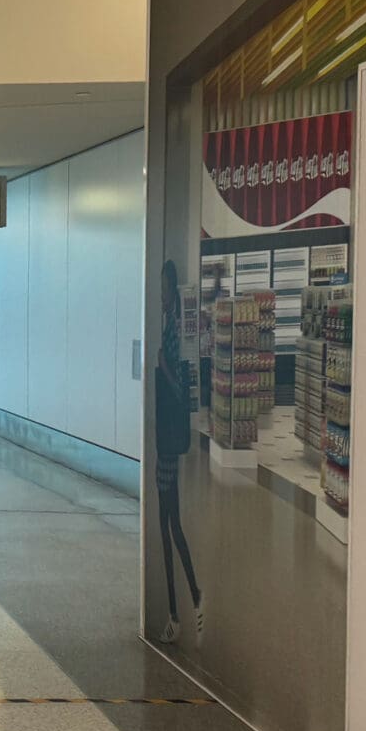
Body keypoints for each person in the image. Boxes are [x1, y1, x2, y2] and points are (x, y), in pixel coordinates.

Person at [153, 259, 203, 643]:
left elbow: (177, 384)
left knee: (171, 525)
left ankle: (180, 608)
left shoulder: (173, 334)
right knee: (169, 526)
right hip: (166, 440)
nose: (162, 295)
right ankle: (179, 607)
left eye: (165, 289)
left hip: (167, 441)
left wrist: (161, 368)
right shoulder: (171, 326)